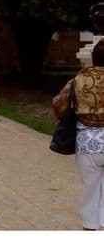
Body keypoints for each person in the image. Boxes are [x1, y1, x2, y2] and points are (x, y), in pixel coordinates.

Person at [53, 40, 104, 230]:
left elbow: (58, 103)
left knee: (91, 187)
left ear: (93, 58)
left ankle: (90, 227)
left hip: (87, 142)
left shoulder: (77, 80)